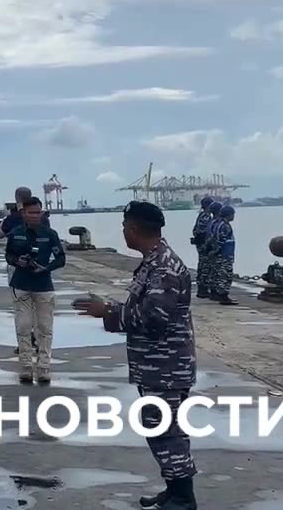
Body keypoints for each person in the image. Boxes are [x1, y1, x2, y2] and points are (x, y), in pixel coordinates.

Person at [79, 201, 197, 510]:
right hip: (157, 365)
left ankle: (183, 498)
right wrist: (111, 309)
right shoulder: (152, 262)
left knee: (165, 431)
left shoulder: (163, 267)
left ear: (133, 229)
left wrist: (108, 311)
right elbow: (145, 310)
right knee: (162, 428)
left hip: (166, 366)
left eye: (124, 227)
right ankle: (175, 490)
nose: (122, 232)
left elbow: (155, 318)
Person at [5, 197, 66, 384]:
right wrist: (18, 261)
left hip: (43, 285)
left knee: (45, 328)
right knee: (23, 327)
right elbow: (8, 255)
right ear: (24, 213)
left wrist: (45, 268)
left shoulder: (50, 234)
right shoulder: (15, 234)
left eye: (38, 212)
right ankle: (25, 366)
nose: (35, 216)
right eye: (31, 212)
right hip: (21, 285)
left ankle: (44, 367)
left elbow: (61, 258)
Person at [207, 206, 237, 305]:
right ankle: (224, 296)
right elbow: (220, 241)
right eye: (233, 214)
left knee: (218, 274)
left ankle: (218, 294)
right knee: (226, 275)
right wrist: (216, 251)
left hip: (222, 254)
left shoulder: (218, 224)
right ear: (229, 215)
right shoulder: (225, 226)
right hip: (225, 254)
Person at [189, 198, 214, 298]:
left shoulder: (202, 216)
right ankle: (202, 289)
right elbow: (202, 232)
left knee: (203, 265)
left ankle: (202, 288)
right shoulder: (206, 217)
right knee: (205, 266)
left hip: (202, 244)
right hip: (204, 245)